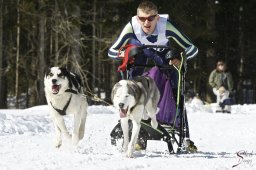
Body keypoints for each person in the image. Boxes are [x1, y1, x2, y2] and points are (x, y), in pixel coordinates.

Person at [108, 1, 198, 152]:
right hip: (139, 53)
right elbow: (111, 51)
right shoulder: (131, 26)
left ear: (157, 18)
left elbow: (193, 49)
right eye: (142, 19)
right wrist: (124, 54)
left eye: (150, 18)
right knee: (131, 81)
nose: (146, 22)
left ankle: (184, 136)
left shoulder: (166, 26)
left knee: (176, 85)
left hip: (162, 52)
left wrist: (179, 58)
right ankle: (137, 134)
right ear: (137, 19)